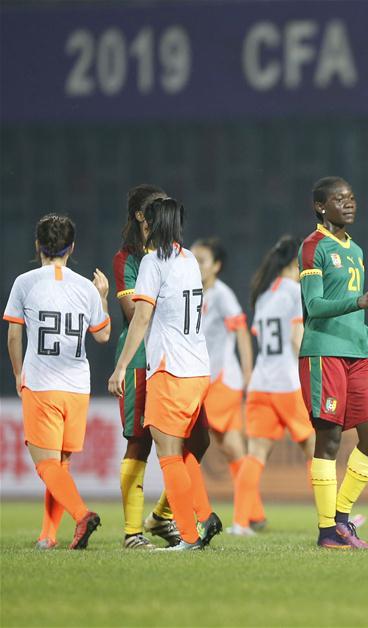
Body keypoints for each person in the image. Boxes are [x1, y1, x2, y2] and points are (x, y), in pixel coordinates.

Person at [109, 197, 221, 551]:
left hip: (169, 370)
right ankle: (205, 513)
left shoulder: (153, 263)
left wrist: (122, 366)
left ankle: (189, 534)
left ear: (150, 225)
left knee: (169, 454)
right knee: (184, 450)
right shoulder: (188, 260)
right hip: (198, 370)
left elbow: (141, 318)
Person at [299, 177, 368, 549]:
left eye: (352, 198)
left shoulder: (355, 249)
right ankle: (328, 532)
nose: (349, 204)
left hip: (357, 354)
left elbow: (351, 313)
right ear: (321, 207)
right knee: (330, 439)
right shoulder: (313, 247)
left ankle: (340, 518)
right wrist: (358, 302)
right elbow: (315, 307)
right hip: (324, 353)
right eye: (340, 199)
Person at [4, 214, 109, 550]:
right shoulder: (85, 287)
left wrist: (19, 373)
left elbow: (13, 334)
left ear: (38, 246)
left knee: (46, 464)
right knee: (60, 464)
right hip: (77, 387)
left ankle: (81, 514)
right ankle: (48, 536)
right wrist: (103, 296)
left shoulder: (25, 282)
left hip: (43, 382)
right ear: (72, 248)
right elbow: (104, 335)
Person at [113, 184, 188, 549]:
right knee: (139, 442)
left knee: (192, 442)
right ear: (142, 215)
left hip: (175, 359)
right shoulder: (128, 258)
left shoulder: (175, 254)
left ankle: (161, 516)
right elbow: (133, 314)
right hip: (140, 358)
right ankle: (132, 533)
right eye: (156, 206)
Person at [230, 235, 315, 536]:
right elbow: (296, 338)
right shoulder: (296, 291)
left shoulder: (265, 295)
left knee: (255, 456)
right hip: (287, 383)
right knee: (317, 451)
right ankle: (333, 520)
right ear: (297, 262)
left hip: (260, 384)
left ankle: (240, 523)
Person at [193, 237, 254, 528]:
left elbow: (241, 331)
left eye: (201, 260)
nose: (195, 265)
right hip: (208, 380)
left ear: (216, 266)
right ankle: (251, 515)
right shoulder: (192, 292)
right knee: (233, 450)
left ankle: (184, 514)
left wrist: (248, 372)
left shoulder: (221, 294)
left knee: (186, 446)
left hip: (222, 381)